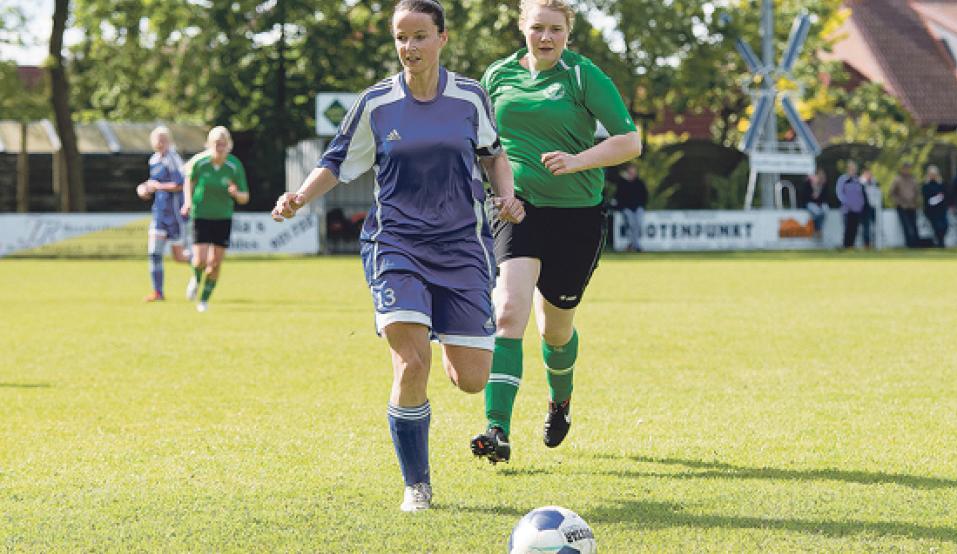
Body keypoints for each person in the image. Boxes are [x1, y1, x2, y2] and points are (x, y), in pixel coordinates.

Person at [270, 0, 524, 512]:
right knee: (411, 363)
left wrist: (507, 196)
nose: (409, 47)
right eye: (401, 38)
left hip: (461, 248)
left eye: (420, 36)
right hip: (397, 245)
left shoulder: (470, 97)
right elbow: (337, 163)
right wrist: (299, 195)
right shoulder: (377, 103)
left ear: (442, 39)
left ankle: (436, 327)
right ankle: (417, 485)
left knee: (471, 379)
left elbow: (494, 154)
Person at [469, 0, 641, 465]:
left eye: (556, 30)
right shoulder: (497, 77)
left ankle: (559, 401)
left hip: (577, 216)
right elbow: (484, 146)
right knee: (507, 312)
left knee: (556, 328)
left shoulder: (584, 76)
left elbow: (630, 141)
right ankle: (496, 429)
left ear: (569, 33)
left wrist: (577, 160)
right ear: (521, 27)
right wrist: (497, 189)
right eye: (537, 28)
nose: (546, 37)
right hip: (518, 210)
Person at [180, 126, 249, 312]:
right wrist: (187, 202)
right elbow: (188, 181)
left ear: (229, 145)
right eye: (216, 143)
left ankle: (203, 301)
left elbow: (245, 197)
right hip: (201, 214)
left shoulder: (234, 166)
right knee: (200, 260)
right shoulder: (200, 163)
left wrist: (236, 193)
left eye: (223, 143)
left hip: (223, 217)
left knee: (215, 263)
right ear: (210, 144)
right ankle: (195, 278)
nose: (220, 146)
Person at [136, 126, 190, 301]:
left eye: (163, 139)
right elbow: (154, 183)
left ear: (169, 141)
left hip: (174, 213)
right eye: (157, 139)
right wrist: (144, 188)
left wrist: (157, 186)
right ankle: (158, 292)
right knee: (154, 253)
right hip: (159, 212)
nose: (160, 143)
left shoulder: (173, 159)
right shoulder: (154, 160)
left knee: (179, 256)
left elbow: (181, 184)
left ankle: (202, 263)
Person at [610, 163, 647, 251]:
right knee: (631, 224)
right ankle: (636, 245)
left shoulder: (639, 183)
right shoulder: (622, 183)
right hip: (626, 209)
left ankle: (633, 245)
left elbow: (644, 196)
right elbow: (618, 197)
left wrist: (641, 205)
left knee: (637, 224)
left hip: (638, 208)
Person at [835, 160, 866, 249]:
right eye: (851, 168)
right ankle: (845, 245)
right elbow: (840, 193)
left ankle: (851, 245)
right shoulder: (842, 179)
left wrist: (861, 205)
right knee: (847, 228)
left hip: (857, 209)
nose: (853, 170)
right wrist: (847, 203)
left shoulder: (858, 180)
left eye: (854, 169)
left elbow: (861, 194)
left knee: (855, 228)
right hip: (847, 209)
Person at [890, 162, 919, 248]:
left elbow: (917, 192)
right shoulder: (897, 180)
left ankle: (916, 245)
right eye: (906, 168)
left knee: (914, 226)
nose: (907, 170)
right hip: (902, 207)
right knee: (907, 226)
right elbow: (892, 193)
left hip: (912, 206)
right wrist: (898, 202)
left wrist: (915, 201)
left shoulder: (913, 180)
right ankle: (909, 244)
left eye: (909, 168)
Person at [922, 165, 948, 247]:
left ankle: (941, 241)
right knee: (937, 227)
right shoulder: (926, 185)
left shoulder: (941, 184)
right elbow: (927, 198)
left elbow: (946, 195)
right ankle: (940, 243)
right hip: (931, 211)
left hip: (941, 210)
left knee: (944, 226)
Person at [798, 169, 827, 237]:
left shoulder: (823, 185)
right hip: (809, 203)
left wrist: (818, 195)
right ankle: (818, 230)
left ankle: (817, 229)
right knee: (817, 212)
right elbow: (804, 196)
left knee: (824, 211)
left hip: (820, 203)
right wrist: (813, 195)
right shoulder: (808, 183)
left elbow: (825, 197)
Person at [860, 166, 881, 249]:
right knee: (866, 227)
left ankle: (876, 243)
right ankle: (866, 244)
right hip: (864, 208)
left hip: (874, 207)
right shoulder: (860, 183)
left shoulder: (875, 183)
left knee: (875, 227)